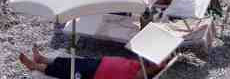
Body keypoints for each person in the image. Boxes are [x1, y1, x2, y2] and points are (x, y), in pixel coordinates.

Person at [18, 47, 165, 79]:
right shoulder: (142, 64)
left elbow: (143, 74)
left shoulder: (142, 75)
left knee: (66, 72)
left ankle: (35, 66)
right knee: (71, 61)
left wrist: (155, 66)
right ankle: (42, 59)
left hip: (96, 74)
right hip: (100, 63)